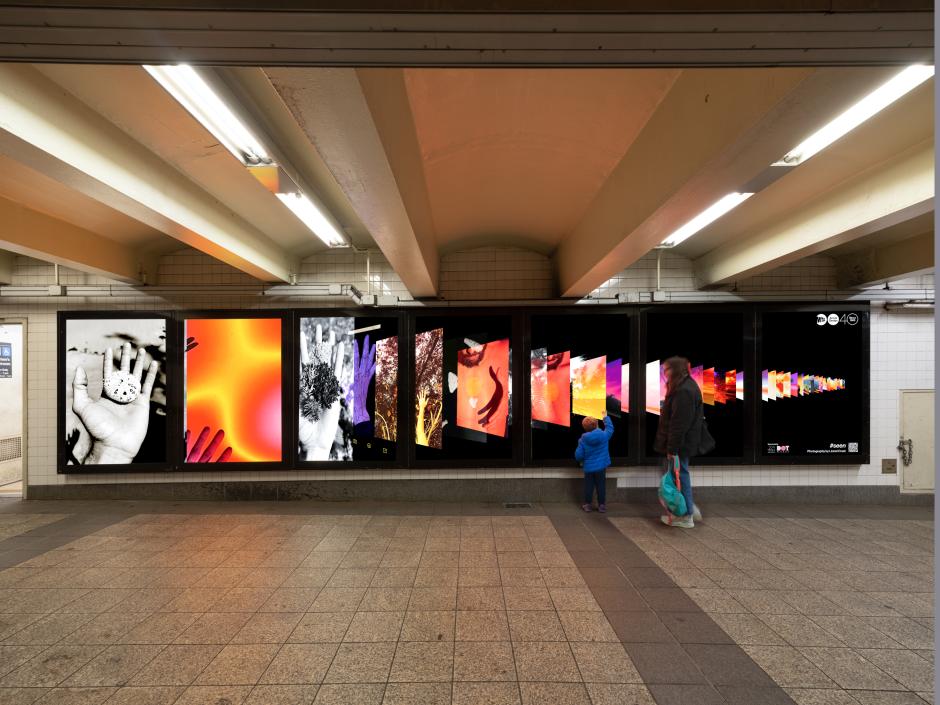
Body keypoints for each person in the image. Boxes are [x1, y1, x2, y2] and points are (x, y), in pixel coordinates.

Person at [654, 356, 704, 528]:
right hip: (682, 443)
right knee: (679, 476)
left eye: (666, 369)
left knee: (679, 478)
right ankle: (689, 510)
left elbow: (678, 424)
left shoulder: (683, 391)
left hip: (680, 445)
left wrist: (672, 449)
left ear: (674, 370)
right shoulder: (684, 385)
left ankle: (685, 515)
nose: (665, 373)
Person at [575, 415, 614, 512]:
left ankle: (588, 505)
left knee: (589, 486)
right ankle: (601, 506)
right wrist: (605, 417)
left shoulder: (582, 440)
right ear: (596, 425)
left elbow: (578, 456)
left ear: (585, 427)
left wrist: (581, 461)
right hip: (601, 467)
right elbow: (610, 428)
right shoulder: (604, 436)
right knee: (601, 486)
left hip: (588, 468)